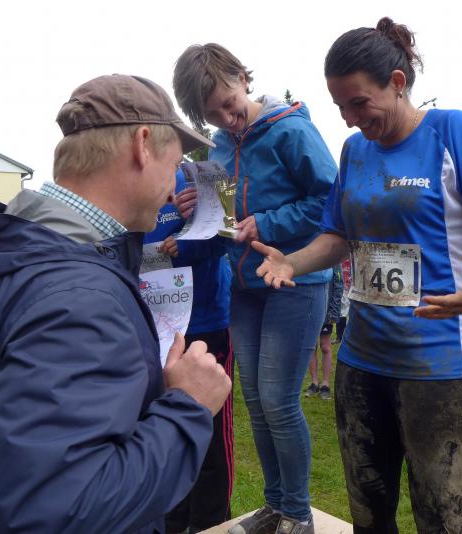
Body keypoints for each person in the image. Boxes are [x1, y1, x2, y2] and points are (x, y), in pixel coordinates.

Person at [0, 74, 231, 534]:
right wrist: (188, 406)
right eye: (174, 165)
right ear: (143, 145)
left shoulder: (3, 247)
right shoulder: (77, 296)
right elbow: (62, 513)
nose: (174, 188)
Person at [253, 18, 462, 533]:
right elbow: (338, 236)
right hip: (362, 363)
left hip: (442, 365)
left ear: (397, 82)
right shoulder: (354, 151)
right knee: (368, 517)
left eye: (359, 103)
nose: (350, 118)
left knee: (442, 521)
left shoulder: (453, 132)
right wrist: (292, 261)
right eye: (340, 107)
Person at [173, 44, 338, 534]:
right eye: (213, 116)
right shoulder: (220, 147)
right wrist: (197, 209)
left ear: (243, 78)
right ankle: (275, 505)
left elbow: (331, 201)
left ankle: (299, 514)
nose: (227, 120)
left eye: (230, 104)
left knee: (279, 400)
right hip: (244, 287)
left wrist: (266, 222)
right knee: (255, 402)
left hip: (296, 280)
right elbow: (225, 223)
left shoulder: (291, 130)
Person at [144, 161, 235, 534]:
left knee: (210, 434)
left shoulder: (205, 173)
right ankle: (173, 519)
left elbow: (228, 233)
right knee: (165, 427)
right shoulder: (130, 179)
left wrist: (185, 242)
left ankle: (210, 523)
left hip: (205, 325)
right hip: (155, 328)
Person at [304, 263, 342, 400]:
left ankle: (325, 384)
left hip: (326, 311)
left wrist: (334, 311)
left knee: (325, 346)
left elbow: (338, 285)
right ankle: (314, 382)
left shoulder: (334, 262)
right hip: (309, 309)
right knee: (311, 346)